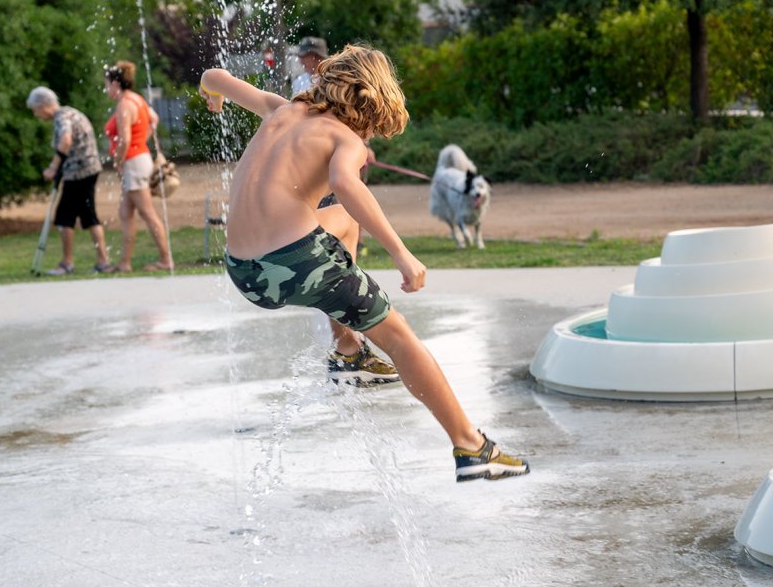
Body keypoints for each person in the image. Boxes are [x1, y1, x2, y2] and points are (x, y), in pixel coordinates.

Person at [199, 45, 530, 482]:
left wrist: (213, 94)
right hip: (297, 264)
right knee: (402, 338)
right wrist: (402, 254)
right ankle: (471, 446)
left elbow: (214, 75)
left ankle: (348, 349)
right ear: (371, 102)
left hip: (244, 272)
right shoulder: (344, 138)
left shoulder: (280, 109)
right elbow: (345, 184)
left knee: (342, 226)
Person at [25, 86, 113, 275]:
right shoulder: (72, 113)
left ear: (43, 105)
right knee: (88, 216)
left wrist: (53, 167)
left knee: (65, 217)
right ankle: (103, 261)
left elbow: (65, 141)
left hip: (78, 172)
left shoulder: (61, 118)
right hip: (88, 170)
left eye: (35, 109)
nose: (36, 114)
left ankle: (67, 263)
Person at [103, 61, 174, 273]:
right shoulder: (138, 99)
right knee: (125, 212)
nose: (107, 89)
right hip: (139, 157)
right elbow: (155, 119)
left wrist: (118, 160)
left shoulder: (125, 104)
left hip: (133, 162)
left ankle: (166, 259)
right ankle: (124, 262)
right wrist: (141, 140)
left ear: (116, 83)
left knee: (147, 212)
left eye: (107, 85)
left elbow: (124, 139)